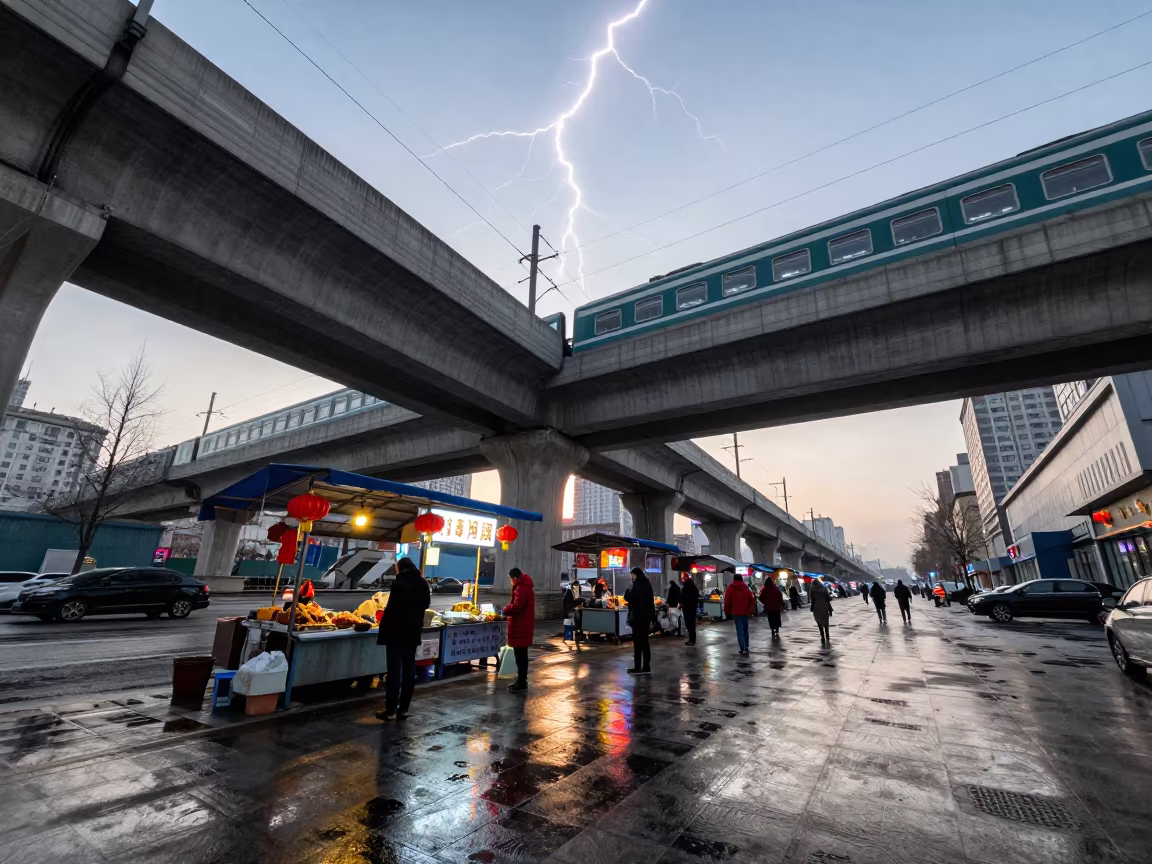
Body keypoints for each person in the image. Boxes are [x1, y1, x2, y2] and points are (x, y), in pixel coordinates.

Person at [376, 557, 431, 721]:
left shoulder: (399, 583)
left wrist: (384, 630)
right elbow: (426, 605)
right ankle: (404, 708)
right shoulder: (422, 583)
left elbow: (391, 609)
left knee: (394, 671)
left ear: (400, 568)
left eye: (396, 568)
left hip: (395, 632)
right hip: (412, 632)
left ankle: (390, 709)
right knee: (408, 670)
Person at [503, 568, 535, 692]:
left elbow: (518, 606)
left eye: (510, 578)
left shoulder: (522, 588)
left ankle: (521, 683)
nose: (510, 581)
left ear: (515, 578)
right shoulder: (525, 586)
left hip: (520, 626)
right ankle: (521, 681)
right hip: (524, 625)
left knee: (520, 656)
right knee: (522, 655)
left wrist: (506, 609)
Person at [627, 567, 655, 673]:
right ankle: (646, 667)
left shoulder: (637, 585)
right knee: (645, 642)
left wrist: (628, 595)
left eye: (632, 575)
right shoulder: (647, 584)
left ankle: (638, 667)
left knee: (637, 643)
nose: (632, 577)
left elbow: (634, 600)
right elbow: (650, 601)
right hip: (646, 617)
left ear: (636, 575)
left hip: (638, 617)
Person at [724, 573, 756, 654]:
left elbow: (727, 601)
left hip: (736, 613)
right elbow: (751, 599)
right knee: (745, 629)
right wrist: (750, 609)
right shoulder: (746, 588)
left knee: (739, 630)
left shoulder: (730, 588)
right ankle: (746, 646)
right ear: (742, 579)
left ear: (734, 579)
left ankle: (742, 647)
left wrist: (727, 612)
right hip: (745, 612)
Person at [680, 572, 699, 646]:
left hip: (689, 608)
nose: (682, 580)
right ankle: (691, 639)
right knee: (690, 624)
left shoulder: (688, 586)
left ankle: (692, 640)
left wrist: (683, 602)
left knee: (690, 624)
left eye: (683, 578)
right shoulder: (690, 585)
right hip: (690, 608)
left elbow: (684, 596)